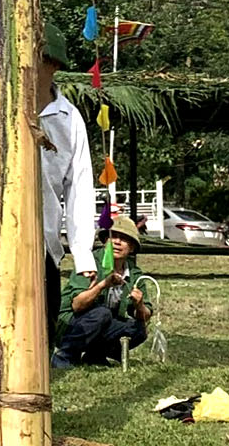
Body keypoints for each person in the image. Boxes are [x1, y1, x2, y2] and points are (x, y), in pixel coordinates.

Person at [37, 28, 95, 343]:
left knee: (43, 323)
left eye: (38, 59)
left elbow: (80, 187)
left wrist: (82, 251)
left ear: (54, 65)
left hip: (45, 241)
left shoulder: (68, 119)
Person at [53, 214, 153, 367]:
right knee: (102, 313)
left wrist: (139, 305)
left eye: (124, 238)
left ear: (132, 247)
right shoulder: (90, 263)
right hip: (70, 324)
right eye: (113, 237)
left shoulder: (133, 273)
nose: (117, 242)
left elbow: (145, 316)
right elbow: (76, 305)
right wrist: (102, 285)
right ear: (106, 240)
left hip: (100, 325)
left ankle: (95, 356)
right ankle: (64, 356)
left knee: (138, 329)